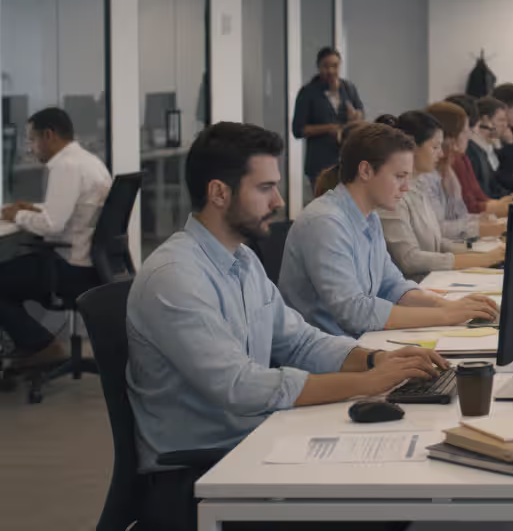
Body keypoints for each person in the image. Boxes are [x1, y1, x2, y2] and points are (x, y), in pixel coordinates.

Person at [126, 123, 447, 531]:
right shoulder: (175, 277)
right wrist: (369, 383)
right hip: (205, 471)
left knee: (400, 481)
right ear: (219, 193)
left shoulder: (243, 261)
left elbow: (297, 341)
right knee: (383, 508)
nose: (278, 200)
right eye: (265, 188)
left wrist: (375, 360)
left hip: (258, 440)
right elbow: (240, 386)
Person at [280, 123, 500, 338]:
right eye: (399, 176)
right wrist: (445, 315)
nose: (406, 187)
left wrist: (449, 305)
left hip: (358, 343)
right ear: (366, 171)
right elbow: (354, 312)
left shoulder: (370, 216)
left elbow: (392, 285)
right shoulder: (325, 222)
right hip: (330, 357)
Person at [0, 108, 112, 369]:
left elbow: (52, 226)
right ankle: (32, 343)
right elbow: (70, 214)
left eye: (31, 140)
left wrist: (18, 216)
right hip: (93, 264)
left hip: (71, 268)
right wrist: (33, 211)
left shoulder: (65, 165)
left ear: (48, 135)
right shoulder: (88, 161)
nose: (30, 148)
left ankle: (40, 345)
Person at [379, 111, 506, 279]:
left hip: (434, 279)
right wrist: (482, 258)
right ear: (411, 147)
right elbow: (410, 260)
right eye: (435, 147)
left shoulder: (420, 184)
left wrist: (479, 254)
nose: (441, 153)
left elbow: (437, 242)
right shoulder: (393, 194)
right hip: (417, 285)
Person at [292, 47, 365, 191]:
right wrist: (330, 128)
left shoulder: (348, 88)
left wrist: (356, 117)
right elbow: (298, 130)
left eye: (335, 66)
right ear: (318, 67)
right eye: (326, 66)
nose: (330, 70)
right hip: (320, 164)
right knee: (325, 207)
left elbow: (360, 114)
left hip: (347, 161)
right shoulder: (308, 92)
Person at [426, 101, 512, 220]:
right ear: (450, 137)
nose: (469, 136)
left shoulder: (451, 168)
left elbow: (462, 213)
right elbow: (467, 209)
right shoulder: (436, 172)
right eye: (465, 131)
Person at [470, 96, 513, 198]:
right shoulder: (475, 151)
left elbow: (499, 180)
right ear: (484, 120)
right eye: (501, 120)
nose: (505, 125)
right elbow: (502, 178)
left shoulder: (489, 146)